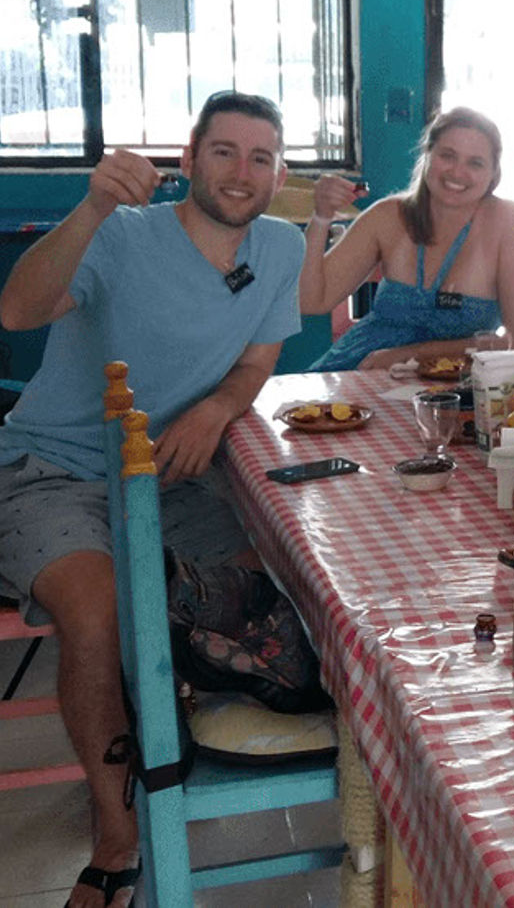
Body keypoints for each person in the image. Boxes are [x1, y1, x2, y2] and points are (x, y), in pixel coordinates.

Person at [0, 91, 304, 908]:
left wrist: (214, 409)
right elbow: (17, 308)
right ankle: (115, 833)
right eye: (225, 151)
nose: (243, 171)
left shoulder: (278, 248)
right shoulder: (123, 233)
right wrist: (94, 201)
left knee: (271, 577)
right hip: (50, 465)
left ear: (280, 175)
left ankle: (171, 737)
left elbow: (255, 364)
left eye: (262, 157)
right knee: (97, 607)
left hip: (170, 473)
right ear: (189, 158)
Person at [303, 106, 514, 370]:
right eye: (447, 156)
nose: (457, 172)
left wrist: (411, 354)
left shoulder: (510, 222)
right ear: (427, 156)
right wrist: (321, 217)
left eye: (475, 163)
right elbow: (312, 301)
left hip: (453, 390)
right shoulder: (387, 214)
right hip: (358, 370)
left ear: (493, 173)